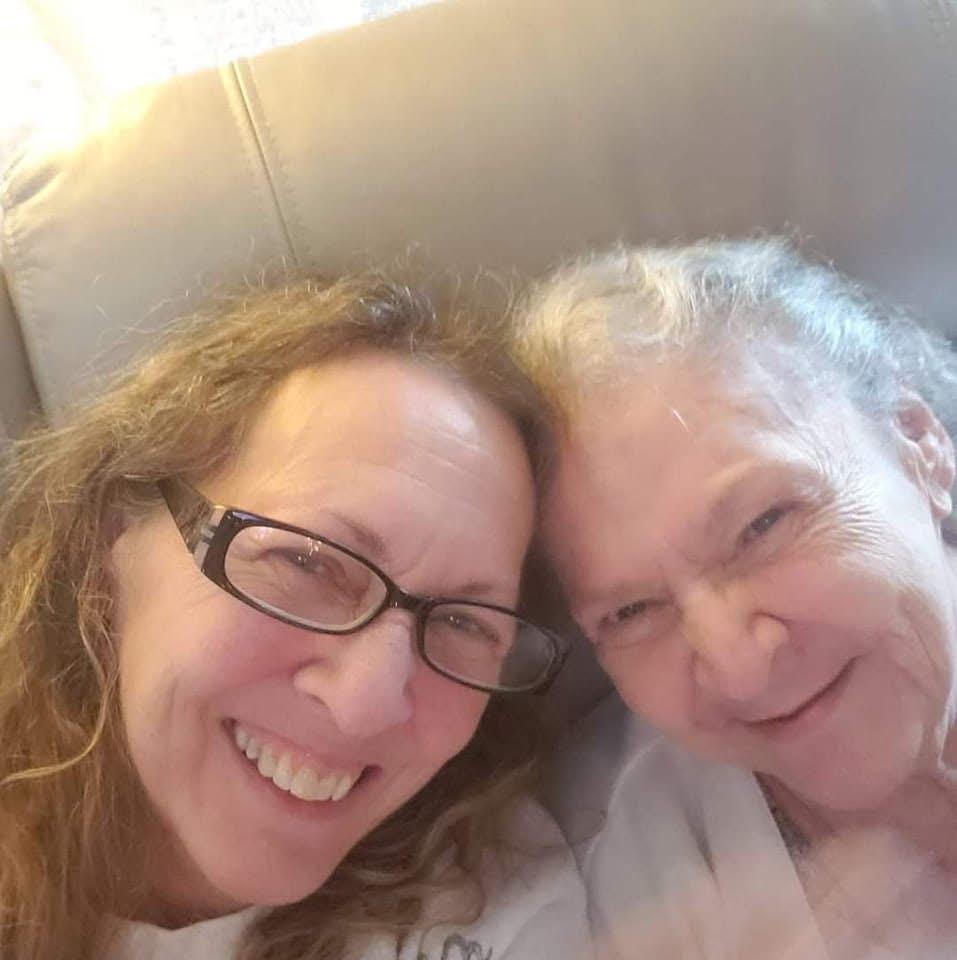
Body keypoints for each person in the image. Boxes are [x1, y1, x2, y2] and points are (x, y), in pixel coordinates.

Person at [0, 271, 590, 960]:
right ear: (115, 532)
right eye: (307, 564)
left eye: (464, 623)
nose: (364, 706)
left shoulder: (500, 908)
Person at [512, 239, 957, 958]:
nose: (739, 670)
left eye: (763, 525)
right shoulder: (620, 880)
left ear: (919, 447)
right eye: (630, 613)